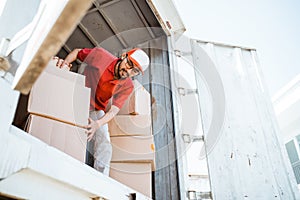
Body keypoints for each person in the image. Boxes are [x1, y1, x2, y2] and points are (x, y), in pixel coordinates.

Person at [54, 47, 149, 175]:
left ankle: (100, 177)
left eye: (135, 71)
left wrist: (97, 124)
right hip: (76, 94)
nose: (129, 70)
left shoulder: (128, 86)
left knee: (105, 141)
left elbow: (114, 110)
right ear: (123, 56)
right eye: (129, 64)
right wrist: (65, 65)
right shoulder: (101, 55)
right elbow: (77, 52)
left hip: (95, 108)